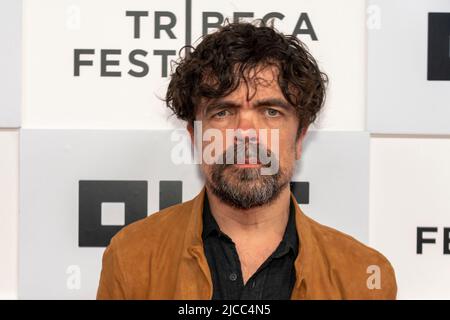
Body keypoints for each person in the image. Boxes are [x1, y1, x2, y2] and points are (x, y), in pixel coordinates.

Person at [97, 21, 397, 300]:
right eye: (223, 112)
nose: (245, 134)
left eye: (271, 112)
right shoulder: (132, 256)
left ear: (300, 139)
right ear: (195, 137)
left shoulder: (362, 275)